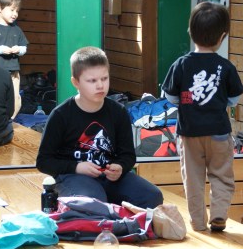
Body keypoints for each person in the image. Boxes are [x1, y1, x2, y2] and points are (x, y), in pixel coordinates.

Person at [36, 46, 163, 209]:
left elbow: (128, 155)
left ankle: (116, 216)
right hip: (73, 177)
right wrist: (76, 167)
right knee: (93, 202)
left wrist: (120, 167)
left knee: (152, 196)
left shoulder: (118, 112)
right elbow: (44, 161)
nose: (100, 86)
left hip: (110, 179)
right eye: (92, 81)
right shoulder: (61, 115)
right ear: (75, 82)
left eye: (104, 79)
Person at [162, 2, 243, 232]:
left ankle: (198, 223)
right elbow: (235, 98)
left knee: (193, 180)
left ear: (190, 32)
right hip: (219, 132)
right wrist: (219, 103)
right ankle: (218, 214)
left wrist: (187, 103)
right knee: (222, 176)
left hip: (189, 133)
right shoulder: (226, 67)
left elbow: (170, 96)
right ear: (223, 36)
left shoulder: (181, 64)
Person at [0, 0, 28, 119]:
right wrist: (1, 49)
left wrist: (19, 49)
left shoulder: (17, 29)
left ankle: (10, 120)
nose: (15, 14)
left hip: (13, 73)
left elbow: (24, 48)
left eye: (17, 11)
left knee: (15, 98)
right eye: (12, 10)